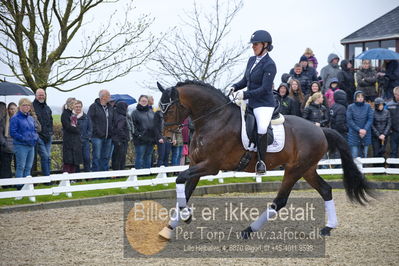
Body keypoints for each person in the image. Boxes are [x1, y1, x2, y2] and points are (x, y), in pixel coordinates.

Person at [230, 30, 276, 174]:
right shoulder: (251, 60)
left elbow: (264, 89)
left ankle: (261, 162)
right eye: (253, 44)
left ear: (265, 45)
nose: (253, 47)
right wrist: (235, 86)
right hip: (250, 101)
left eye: (256, 44)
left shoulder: (270, 64)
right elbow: (245, 80)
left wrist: (245, 94)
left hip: (264, 104)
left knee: (262, 128)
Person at [10, 98, 39, 186]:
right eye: (24, 105)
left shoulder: (30, 118)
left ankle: (27, 186)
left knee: (28, 167)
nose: (27, 107)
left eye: (28, 105)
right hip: (21, 145)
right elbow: (13, 133)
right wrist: (24, 139)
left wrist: (35, 137)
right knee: (21, 167)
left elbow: (34, 130)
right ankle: (19, 186)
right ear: (19, 107)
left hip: (31, 145)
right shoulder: (15, 118)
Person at [88, 89, 114, 171]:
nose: (110, 97)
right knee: (97, 156)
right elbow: (89, 120)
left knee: (106, 156)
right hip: (97, 137)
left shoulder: (110, 107)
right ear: (103, 97)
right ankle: (95, 174)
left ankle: (104, 174)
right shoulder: (93, 107)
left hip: (108, 136)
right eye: (108, 96)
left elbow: (112, 120)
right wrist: (96, 131)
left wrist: (111, 131)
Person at [131, 95, 156, 169]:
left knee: (148, 156)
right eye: (142, 101)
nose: (144, 102)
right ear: (139, 101)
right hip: (140, 139)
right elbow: (132, 126)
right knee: (140, 156)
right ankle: (139, 172)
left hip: (150, 138)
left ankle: (146, 172)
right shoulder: (135, 113)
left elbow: (155, 124)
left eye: (145, 101)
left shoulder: (151, 112)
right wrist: (139, 135)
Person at [346, 91, 374, 158]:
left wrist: (364, 130)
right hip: (354, 133)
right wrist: (359, 130)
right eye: (358, 97)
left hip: (366, 133)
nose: (360, 98)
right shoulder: (350, 107)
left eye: (362, 96)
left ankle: (363, 168)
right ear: (355, 98)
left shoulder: (368, 106)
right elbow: (349, 120)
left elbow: (370, 119)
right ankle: (355, 168)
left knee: (365, 155)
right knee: (354, 155)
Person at [32, 88, 53, 176]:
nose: (41, 96)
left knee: (48, 158)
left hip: (48, 136)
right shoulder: (32, 107)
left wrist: (51, 132)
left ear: (45, 95)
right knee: (45, 156)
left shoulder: (47, 107)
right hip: (39, 136)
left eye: (42, 95)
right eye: (39, 95)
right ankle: (47, 179)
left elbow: (51, 121)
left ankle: (47, 178)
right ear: (36, 96)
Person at [61, 98, 82, 173]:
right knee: (68, 161)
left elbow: (76, 125)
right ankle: (65, 178)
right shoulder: (65, 114)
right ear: (70, 104)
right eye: (74, 104)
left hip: (75, 140)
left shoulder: (72, 114)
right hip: (68, 140)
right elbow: (67, 127)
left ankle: (72, 178)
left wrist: (77, 129)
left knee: (73, 161)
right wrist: (77, 130)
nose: (75, 105)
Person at [0, 103, 17, 179]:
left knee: (18, 165)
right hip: (6, 147)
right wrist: (4, 143)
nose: (12, 111)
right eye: (11, 109)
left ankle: (17, 182)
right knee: (6, 166)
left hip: (17, 145)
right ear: (8, 110)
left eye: (14, 109)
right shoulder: (4, 120)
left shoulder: (18, 119)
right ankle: (7, 184)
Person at [111, 101, 129, 170]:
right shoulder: (122, 117)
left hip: (115, 139)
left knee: (116, 156)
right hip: (121, 140)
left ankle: (116, 171)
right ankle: (120, 171)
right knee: (121, 156)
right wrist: (125, 136)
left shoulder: (115, 114)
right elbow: (120, 129)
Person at [75, 100, 92, 172]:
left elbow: (90, 128)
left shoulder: (86, 117)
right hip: (75, 142)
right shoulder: (72, 117)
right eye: (76, 107)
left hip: (85, 141)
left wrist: (86, 136)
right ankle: (77, 177)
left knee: (87, 158)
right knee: (76, 160)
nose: (78, 108)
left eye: (79, 107)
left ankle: (87, 176)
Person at [386, 86, 399, 158]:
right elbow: (386, 118)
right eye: (398, 94)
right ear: (394, 94)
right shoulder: (389, 105)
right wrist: (389, 129)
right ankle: (392, 167)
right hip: (393, 132)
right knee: (393, 151)